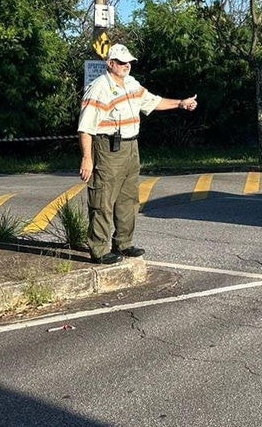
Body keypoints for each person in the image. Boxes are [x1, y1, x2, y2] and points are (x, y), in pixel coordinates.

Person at [77, 43, 198, 264]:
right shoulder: (99, 88)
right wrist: (87, 158)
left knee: (129, 198)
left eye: (129, 62)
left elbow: (153, 102)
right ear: (110, 64)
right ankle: (99, 249)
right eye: (122, 62)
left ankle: (123, 243)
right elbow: (85, 127)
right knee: (102, 198)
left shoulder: (131, 84)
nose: (127, 66)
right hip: (107, 147)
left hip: (131, 146)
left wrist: (180, 103)